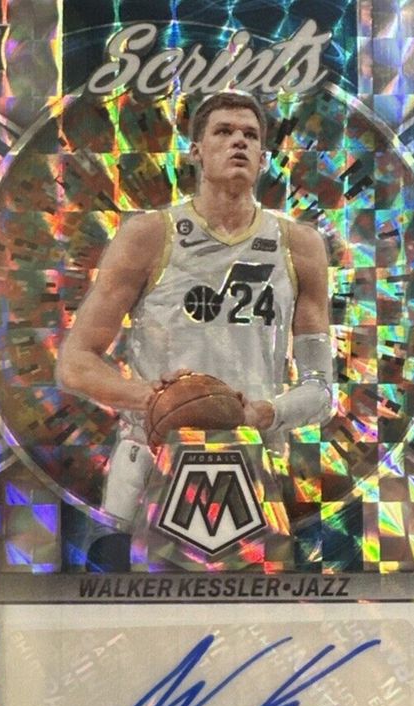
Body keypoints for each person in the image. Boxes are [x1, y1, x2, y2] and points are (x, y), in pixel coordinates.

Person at [57, 91, 333, 568]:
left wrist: (266, 411)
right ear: (196, 152)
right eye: (223, 132)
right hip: (150, 464)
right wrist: (157, 398)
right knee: (126, 608)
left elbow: (321, 390)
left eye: (250, 135)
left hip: (251, 467)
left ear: (264, 158)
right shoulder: (148, 235)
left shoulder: (299, 246)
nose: (239, 142)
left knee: (260, 611)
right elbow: (75, 363)